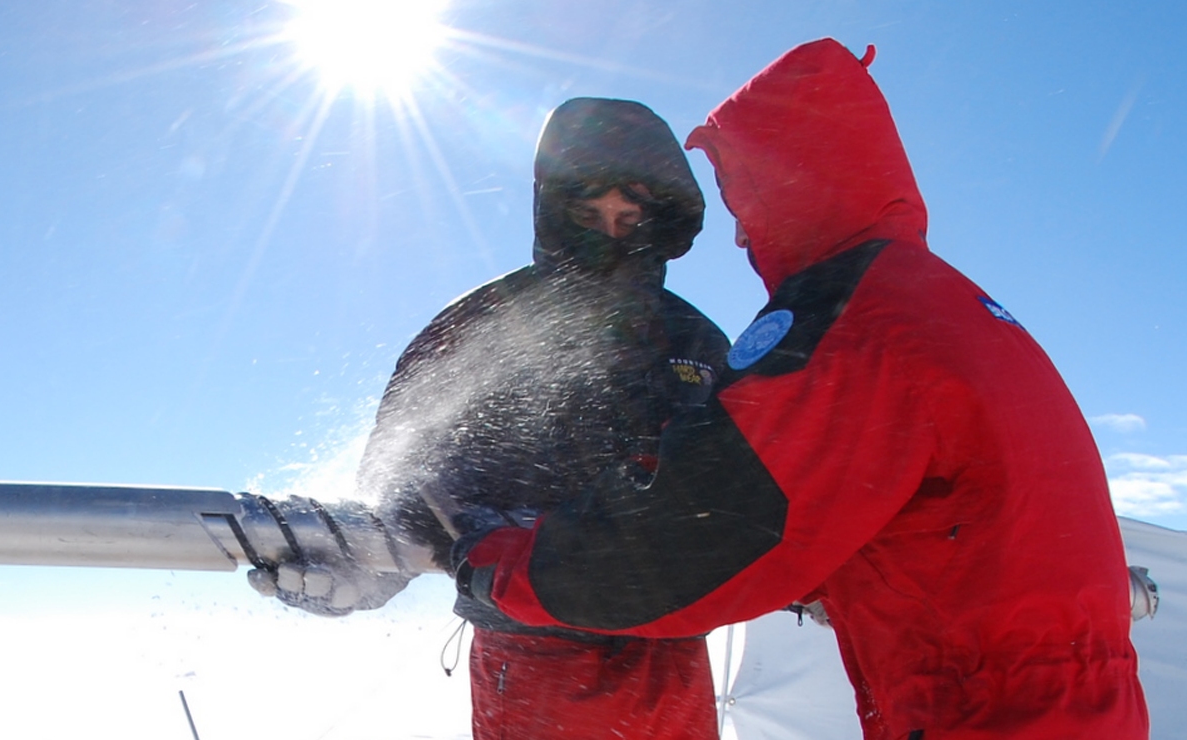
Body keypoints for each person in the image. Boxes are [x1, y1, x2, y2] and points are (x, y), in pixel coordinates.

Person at [453, 40, 1149, 739]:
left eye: (741, 193)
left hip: (983, 710)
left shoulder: (849, 323)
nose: (737, 234)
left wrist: (494, 566)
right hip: (1077, 702)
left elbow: (700, 535)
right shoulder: (941, 300)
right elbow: (879, 504)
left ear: (786, 179)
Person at [254, 98, 730, 740]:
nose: (610, 234)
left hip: (671, 652)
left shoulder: (697, 340)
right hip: (534, 653)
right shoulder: (482, 323)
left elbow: (746, 487)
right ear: (553, 212)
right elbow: (404, 477)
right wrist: (370, 566)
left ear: (658, 220)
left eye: (629, 217)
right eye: (588, 216)